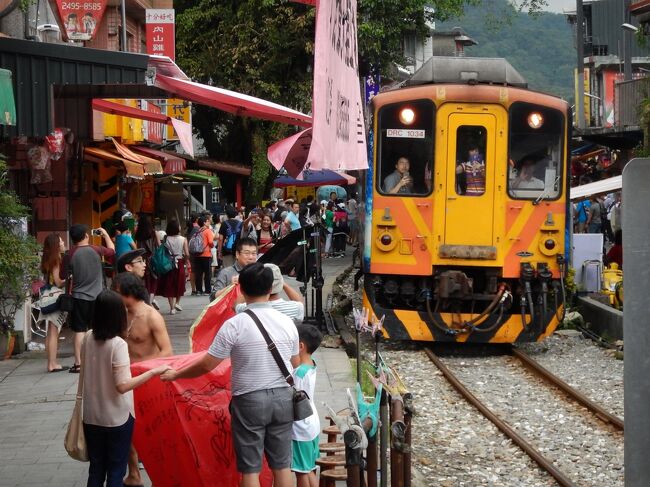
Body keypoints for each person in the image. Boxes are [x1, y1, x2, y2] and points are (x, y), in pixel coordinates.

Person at [161, 263, 299, 487]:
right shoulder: (287, 323)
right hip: (283, 398)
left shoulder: (234, 325)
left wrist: (177, 374)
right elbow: (294, 362)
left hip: (249, 400)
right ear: (271, 289)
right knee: (282, 465)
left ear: (241, 289)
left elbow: (207, 365)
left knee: (250, 468)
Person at [81, 289, 169, 487]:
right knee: (116, 469)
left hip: (91, 416)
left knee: (96, 468)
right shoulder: (117, 344)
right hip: (117, 417)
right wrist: (152, 373)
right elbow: (122, 386)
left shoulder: (87, 337)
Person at [112, 272, 173, 487]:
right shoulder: (120, 314)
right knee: (127, 428)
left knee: (153, 430)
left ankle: (161, 474)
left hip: (149, 380)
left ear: (130, 293)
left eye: (118, 293)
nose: (115, 296)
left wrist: (145, 370)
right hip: (125, 380)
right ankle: (134, 473)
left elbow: (167, 351)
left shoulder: (151, 316)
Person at [64, 224, 115, 373]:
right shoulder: (97, 249)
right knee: (97, 329)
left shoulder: (69, 254)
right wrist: (105, 234)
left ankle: (78, 363)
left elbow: (63, 276)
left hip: (79, 297)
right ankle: (98, 361)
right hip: (98, 296)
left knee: (79, 330)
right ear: (86, 236)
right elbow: (112, 251)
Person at [291, 325, 323, 487]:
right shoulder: (311, 365)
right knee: (308, 469)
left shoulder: (299, 374)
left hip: (300, 427)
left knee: (301, 472)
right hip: (311, 422)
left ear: (300, 346)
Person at [38, 233, 68, 372]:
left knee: (50, 332)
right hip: (55, 296)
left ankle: (51, 363)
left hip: (48, 296)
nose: (63, 243)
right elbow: (57, 282)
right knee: (53, 331)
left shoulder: (48, 259)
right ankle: (52, 364)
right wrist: (69, 279)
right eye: (61, 242)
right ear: (56, 245)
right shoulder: (56, 260)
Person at [235, 263, 304, 322]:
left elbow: (236, 305)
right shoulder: (295, 308)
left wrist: (247, 282)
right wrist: (283, 284)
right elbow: (300, 303)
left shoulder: (245, 308)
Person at [155, 219, 189, 315]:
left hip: (168, 263)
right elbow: (186, 253)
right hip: (180, 262)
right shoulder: (183, 239)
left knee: (169, 284)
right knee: (180, 283)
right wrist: (186, 261)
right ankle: (177, 303)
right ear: (177, 228)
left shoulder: (166, 239)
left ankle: (172, 308)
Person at [133, 215, 160, 307]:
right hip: (153, 259)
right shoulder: (153, 233)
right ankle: (150, 301)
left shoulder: (137, 234)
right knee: (154, 280)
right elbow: (159, 246)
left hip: (142, 259)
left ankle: (148, 300)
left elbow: (137, 247)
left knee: (146, 281)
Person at [193, 216, 215, 296]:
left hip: (197, 254)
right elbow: (210, 242)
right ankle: (207, 290)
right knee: (207, 273)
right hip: (206, 254)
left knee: (198, 273)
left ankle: (199, 290)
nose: (209, 222)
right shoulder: (207, 231)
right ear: (204, 223)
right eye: (208, 221)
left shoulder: (198, 231)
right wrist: (212, 246)